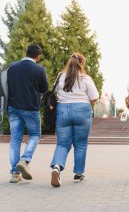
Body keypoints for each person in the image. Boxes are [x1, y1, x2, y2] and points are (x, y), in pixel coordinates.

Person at [50, 53, 99, 187]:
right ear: (82, 64)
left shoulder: (60, 76)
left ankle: (57, 167)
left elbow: (55, 93)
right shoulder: (85, 78)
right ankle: (78, 174)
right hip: (82, 110)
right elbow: (94, 97)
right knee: (80, 144)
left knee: (62, 144)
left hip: (63, 110)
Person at [7, 43, 48, 183]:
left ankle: (14, 173)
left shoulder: (12, 68)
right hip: (31, 108)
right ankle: (25, 160)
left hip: (13, 108)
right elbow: (44, 89)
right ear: (37, 57)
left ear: (26, 53)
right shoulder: (39, 69)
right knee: (35, 135)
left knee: (15, 139)